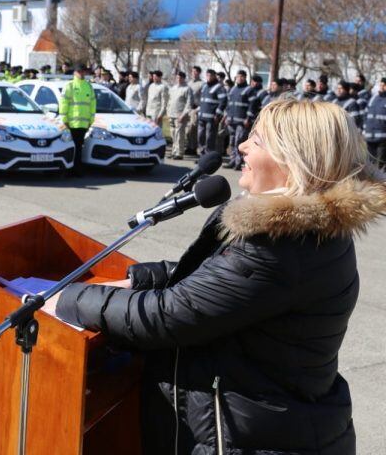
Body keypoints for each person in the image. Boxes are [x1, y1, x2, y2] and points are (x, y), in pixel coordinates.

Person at [48, 99, 385, 454]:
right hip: (279, 428)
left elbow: (169, 316)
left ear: (292, 159)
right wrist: (138, 280)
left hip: (251, 440)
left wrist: (64, 299)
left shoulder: (278, 246)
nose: (241, 146)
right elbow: (216, 282)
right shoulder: (309, 232)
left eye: (256, 140)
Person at [59, 64, 96, 176]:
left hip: (83, 123)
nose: (81, 73)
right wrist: (64, 119)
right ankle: (69, 169)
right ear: (74, 72)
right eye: (79, 71)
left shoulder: (88, 86)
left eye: (83, 71)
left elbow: (93, 104)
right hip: (70, 123)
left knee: (79, 147)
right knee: (71, 147)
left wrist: (91, 120)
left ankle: (77, 169)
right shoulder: (69, 86)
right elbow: (63, 103)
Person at [223, 70, 252, 169]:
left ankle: (238, 162)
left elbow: (252, 106)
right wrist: (226, 116)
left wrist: (248, 118)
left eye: (241, 76)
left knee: (238, 142)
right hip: (231, 121)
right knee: (231, 142)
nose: (239, 78)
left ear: (245, 78)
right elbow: (228, 104)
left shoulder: (248, 89)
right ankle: (232, 160)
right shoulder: (233, 89)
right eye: (238, 76)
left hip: (242, 122)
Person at [196, 69, 227, 155]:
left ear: (214, 76)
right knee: (200, 136)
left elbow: (223, 102)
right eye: (207, 75)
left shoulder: (219, 87)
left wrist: (217, 115)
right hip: (202, 116)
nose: (208, 77)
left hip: (212, 118)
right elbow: (202, 101)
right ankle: (202, 155)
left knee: (209, 138)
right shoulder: (205, 86)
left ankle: (208, 155)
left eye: (210, 76)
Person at [165, 71, 193, 160]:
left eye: (180, 78)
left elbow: (189, 104)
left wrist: (183, 114)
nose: (179, 79)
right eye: (177, 78)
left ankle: (179, 152)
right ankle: (174, 151)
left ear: (184, 78)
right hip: (172, 114)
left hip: (180, 115)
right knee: (173, 134)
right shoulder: (173, 88)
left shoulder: (187, 89)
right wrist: (168, 112)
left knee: (179, 135)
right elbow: (169, 101)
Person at [364, 77, 386, 169]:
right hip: (370, 137)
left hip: (383, 138)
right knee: (370, 165)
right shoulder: (373, 98)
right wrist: (365, 129)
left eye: (384, 85)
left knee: (380, 165)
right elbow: (366, 114)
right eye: (381, 85)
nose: (382, 87)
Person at [186, 66, 204, 155]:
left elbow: (203, 98)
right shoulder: (189, 83)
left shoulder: (202, 84)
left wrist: (198, 109)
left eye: (195, 72)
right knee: (187, 130)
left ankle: (193, 148)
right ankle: (189, 146)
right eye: (192, 71)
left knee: (194, 129)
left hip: (196, 109)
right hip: (188, 109)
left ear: (199, 73)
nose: (193, 73)